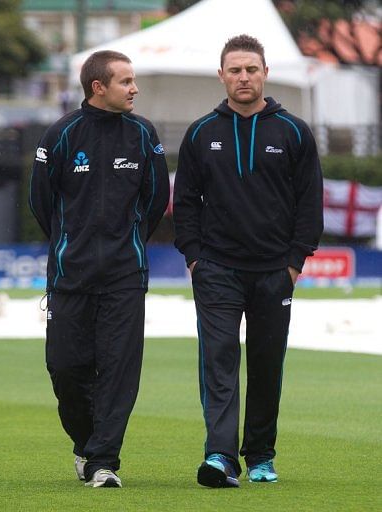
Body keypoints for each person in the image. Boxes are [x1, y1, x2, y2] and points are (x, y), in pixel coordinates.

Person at [173, 34, 323, 488]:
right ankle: (219, 455)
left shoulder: (293, 131)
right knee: (218, 361)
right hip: (216, 269)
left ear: (265, 73)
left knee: (265, 363)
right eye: (235, 70)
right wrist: (195, 257)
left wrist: (294, 262)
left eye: (251, 69)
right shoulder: (201, 132)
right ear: (221, 75)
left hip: (275, 271)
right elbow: (185, 203)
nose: (243, 77)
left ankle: (260, 455)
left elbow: (309, 202)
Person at [29, 50, 169, 488]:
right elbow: (41, 203)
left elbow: (155, 200)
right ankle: (88, 445)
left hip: (125, 277)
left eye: (133, 80)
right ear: (99, 87)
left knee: (118, 370)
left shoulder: (143, 134)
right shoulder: (61, 134)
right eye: (125, 81)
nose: (134, 88)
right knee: (65, 368)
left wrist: (125, 243)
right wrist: (75, 242)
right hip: (70, 276)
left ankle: (104, 461)